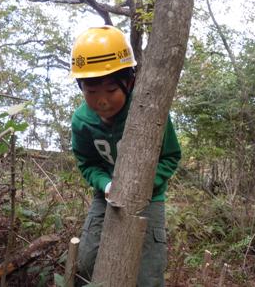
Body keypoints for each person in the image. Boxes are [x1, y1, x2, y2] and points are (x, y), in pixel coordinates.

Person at [70, 25, 181, 286]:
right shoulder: (81, 121)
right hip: (104, 197)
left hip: (149, 200)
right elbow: (87, 164)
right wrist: (105, 184)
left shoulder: (148, 113)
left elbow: (170, 157)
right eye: (91, 92)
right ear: (81, 88)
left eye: (110, 91)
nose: (102, 101)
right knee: (84, 262)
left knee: (148, 274)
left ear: (129, 82)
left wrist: (142, 186)